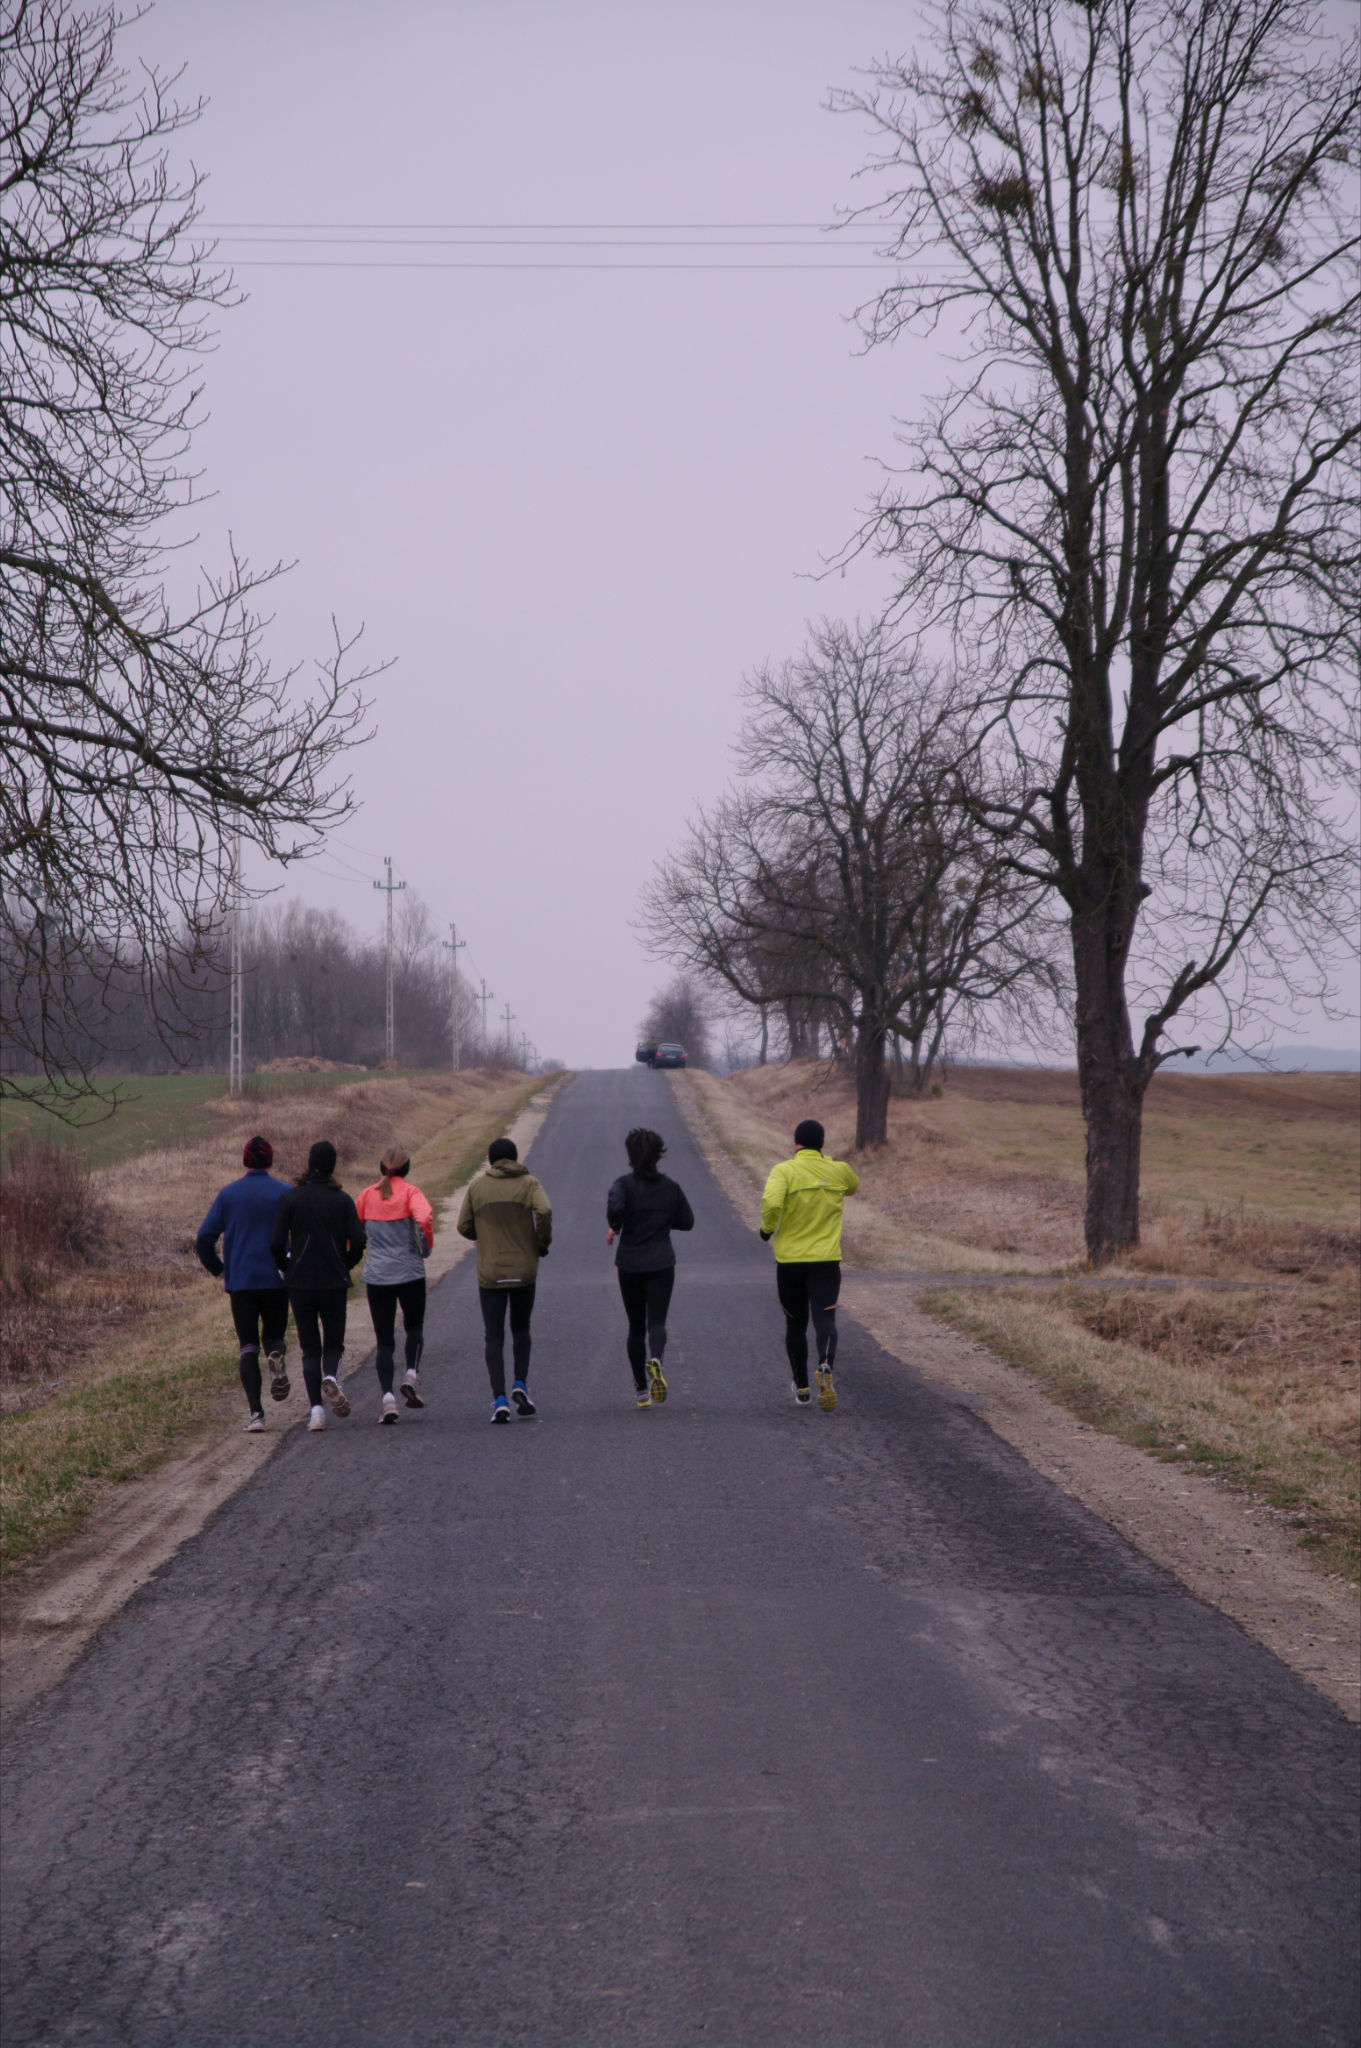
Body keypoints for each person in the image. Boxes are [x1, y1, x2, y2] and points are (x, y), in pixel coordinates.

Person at [760, 1117, 858, 1412]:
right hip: (826, 1261)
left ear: (796, 1144)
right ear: (822, 1144)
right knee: (825, 1320)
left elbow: (772, 1203)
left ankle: (802, 1387)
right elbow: (852, 1187)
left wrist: (767, 1229)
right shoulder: (839, 1170)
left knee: (795, 1324)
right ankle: (825, 1364)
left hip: (790, 1262)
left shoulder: (784, 1170)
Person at [195, 1135, 291, 1433]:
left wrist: (220, 1270)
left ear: (245, 1160)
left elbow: (204, 1239)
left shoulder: (228, 1195)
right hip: (276, 1279)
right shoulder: (285, 1193)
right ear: (270, 1160)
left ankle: (256, 1414)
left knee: (248, 1346)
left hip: (241, 1282)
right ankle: (276, 1357)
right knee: (273, 1336)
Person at [270, 1140, 367, 1432]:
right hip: (333, 1281)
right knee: (333, 1343)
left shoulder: (291, 1198)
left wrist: (287, 1268)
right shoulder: (342, 1200)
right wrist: (346, 1263)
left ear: (309, 1163)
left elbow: (275, 1242)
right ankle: (331, 1377)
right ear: (332, 1166)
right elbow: (359, 1240)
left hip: (300, 1282)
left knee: (309, 1347)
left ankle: (316, 1412)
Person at [457, 1137, 552, 1423]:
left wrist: (484, 1237)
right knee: (521, 1328)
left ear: (490, 1160)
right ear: (515, 1157)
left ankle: (499, 1399)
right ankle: (520, 1383)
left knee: (494, 1336)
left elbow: (463, 1225)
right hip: (523, 1269)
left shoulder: (477, 1187)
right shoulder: (529, 1183)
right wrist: (540, 1242)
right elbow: (544, 1210)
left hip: (491, 1271)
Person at [606, 1126, 694, 1408]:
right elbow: (687, 1222)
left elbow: (615, 1210)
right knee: (657, 1321)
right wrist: (663, 1221)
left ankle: (641, 1391)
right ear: (658, 1154)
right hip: (661, 1262)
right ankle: (655, 1358)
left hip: (630, 1263)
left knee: (635, 1326)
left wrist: (617, 1226)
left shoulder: (622, 1185)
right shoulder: (671, 1187)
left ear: (630, 1154)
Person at [356, 1147, 435, 1423]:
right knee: (414, 1327)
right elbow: (425, 1218)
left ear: (381, 1168)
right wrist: (425, 1245)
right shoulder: (411, 1193)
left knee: (384, 1341)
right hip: (410, 1271)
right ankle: (411, 1373)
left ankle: (388, 1400)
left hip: (378, 1276)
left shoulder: (366, 1195)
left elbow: (354, 1228)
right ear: (407, 1168)